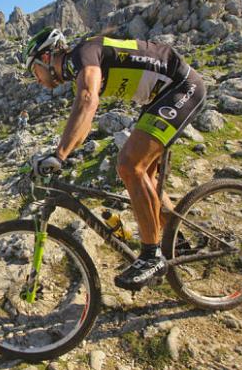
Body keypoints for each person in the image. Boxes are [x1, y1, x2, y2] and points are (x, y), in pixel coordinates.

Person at [23, 28, 206, 290]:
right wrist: (61, 154)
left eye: (34, 71)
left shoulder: (82, 55)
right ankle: (177, 243)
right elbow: (85, 121)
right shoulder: (80, 66)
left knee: (129, 165)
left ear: (47, 57)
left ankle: (151, 255)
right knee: (146, 177)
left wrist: (59, 155)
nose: (37, 79)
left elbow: (88, 100)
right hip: (161, 96)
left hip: (181, 88)